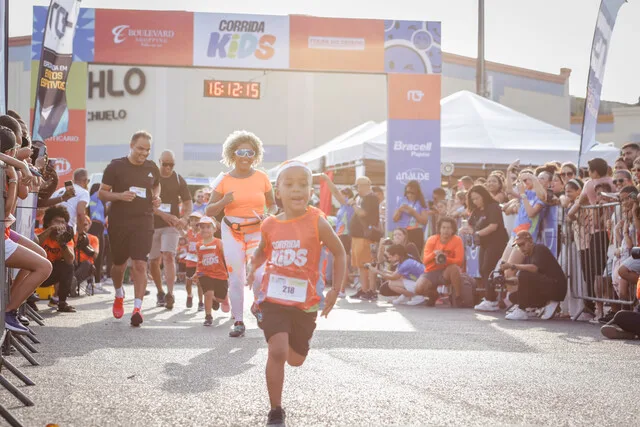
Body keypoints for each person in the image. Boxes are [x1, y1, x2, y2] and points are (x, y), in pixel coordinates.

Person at [246, 160, 346, 426]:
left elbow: (339, 252)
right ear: (278, 192)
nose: (297, 189)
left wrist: (335, 289)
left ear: (311, 190)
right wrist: (251, 266)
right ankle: (275, 410)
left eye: (303, 184)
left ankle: (279, 330)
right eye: (289, 184)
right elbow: (261, 251)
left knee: (296, 360)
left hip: (304, 303)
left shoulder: (317, 221)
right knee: (277, 351)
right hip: (274, 299)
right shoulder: (269, 224)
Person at [206, 130, 277, 338]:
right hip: (232, 231)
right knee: (236, 277)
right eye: (241, 152)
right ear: (232, 153)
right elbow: (209, 210)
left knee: (259, 275)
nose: (246, 156)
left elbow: (273, 205)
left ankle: (258, 307)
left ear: (256, 155)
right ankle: (238, 321)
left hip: (257, 231)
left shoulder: (262, 177)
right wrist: (223, 202)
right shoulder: (224, 179)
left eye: (251, 152)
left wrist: (268, 215)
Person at [99, 130, 161, 327]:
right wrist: (120, 196)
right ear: (131, 146)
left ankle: (137, 308)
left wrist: (157, 196)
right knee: (119, 265)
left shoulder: (152, 167)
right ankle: (118, 294)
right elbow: (102, 193)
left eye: (148, 150)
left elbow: (156, 185)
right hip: (119, 221)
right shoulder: (115, 166)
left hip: (144, 220)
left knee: (140, 264)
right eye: (141, 149)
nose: (144, 153)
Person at [149, 150, 193, 310]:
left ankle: (170, 293)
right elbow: (145, 202)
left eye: (171, 165)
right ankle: (160, 291)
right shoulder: (152, 177)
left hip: (171, 225)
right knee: (153, 261)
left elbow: (188, 203)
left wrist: (185, 219)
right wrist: (163, 214)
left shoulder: (178, 179)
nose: (168, 168)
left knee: (168, 256)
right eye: (165, 164)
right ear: (159, 161)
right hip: (153, 224)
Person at [462, 185, 509, 312]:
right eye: (472, 199)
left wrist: (476, 233)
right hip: (484, 244)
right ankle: (490, 298)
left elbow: (493, 226)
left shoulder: (493, 207)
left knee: (488, 268)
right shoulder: (476, 211)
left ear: (484, 196)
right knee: (483, 270)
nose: (475, 201)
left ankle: (491, 299)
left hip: (496, 242)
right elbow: (470, 225)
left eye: (477, 198)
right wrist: (466, 230)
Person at [501, 231, 567, 321]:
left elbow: (534, 269)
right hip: (548, 286)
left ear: (531, 242)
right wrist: (505, 281)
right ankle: (534, 307)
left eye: (522, 244)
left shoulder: (539, 249)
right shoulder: (528, 255)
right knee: (513, 297)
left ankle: (522, 311)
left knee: (524, 274)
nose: (520, 248)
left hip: (557, 288)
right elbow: (522, 281)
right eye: (518, 246)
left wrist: (512, 265)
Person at [413, 217, 464, 306]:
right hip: (431, 271)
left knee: (455, 268)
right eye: (443, 227)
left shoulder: (457, 240)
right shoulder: (432, 239)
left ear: (453, 230)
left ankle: (458, 297)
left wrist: (445, 259)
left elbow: (459, 261)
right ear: (439, 229)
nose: (446, 230)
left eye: (449, 228)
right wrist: (434, 254)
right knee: (418, 289)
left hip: (447, 271)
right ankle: (433, 294)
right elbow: (425, 261)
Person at [319, 173, 355, 298]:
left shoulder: (347, 205)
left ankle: (342, 289)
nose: (340, 196)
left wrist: (327, 180)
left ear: (347, 196)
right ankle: (346, 286)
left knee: (341, 263)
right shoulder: (343, 207)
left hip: (345, 235)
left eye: (343, 194)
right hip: (340, 234)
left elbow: (334, 192)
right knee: (338, 262)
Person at [36, 205, 77, 313]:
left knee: (68, 267)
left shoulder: (66, 238)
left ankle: (62, 302)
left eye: (63, 222)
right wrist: (49, 230)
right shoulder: (38, 231)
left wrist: (63, 244)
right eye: (56, 221)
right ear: (48, 222)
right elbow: (34, 243)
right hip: (34, 272)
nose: (60, 224)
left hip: (50, 274)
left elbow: (70, 260)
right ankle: (29, 302)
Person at [192, 216, 230, 326]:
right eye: (202, 227)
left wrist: (230, 272)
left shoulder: (219, 243)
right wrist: (196, 273)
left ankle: (223, 298)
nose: (205, 229)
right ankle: (208, 316)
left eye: (208, 227)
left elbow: (225, 258)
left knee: (220, 298)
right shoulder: (199, 245)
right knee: (208, 293)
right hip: (205, 273)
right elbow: (199, 261)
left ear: (214, 229)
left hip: (220, 274)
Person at [348, 176, 380, 301]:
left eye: (357, 186)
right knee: (361, 265)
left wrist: (354, 205)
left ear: (365, 185)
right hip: (358, 236)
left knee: (368, 264)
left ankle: (371, 290)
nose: (356, 189)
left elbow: (363, 213)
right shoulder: (361, 198)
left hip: (365, 237)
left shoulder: (371, 198)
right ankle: (364, 289)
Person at [392, 180, 428, 251]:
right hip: (402, 231)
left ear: (417, 193)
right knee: (400, 254)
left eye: (412, 193)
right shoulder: (401, 200)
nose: (409, 195)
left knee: (414, 255)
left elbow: (424, 221)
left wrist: (413, 212)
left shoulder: (421, 202)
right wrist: (400, 210)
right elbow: (394, 219)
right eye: (407, 192)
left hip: (415, 232)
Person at [184, 211, 204, 310]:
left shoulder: (203, 233)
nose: (194, 222)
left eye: (196, 220)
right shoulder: (189, 232)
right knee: (188, 281)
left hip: (199, 261)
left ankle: (201, 302)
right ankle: (189, 295)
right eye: (192, 220)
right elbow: (183, 237)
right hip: (190, 261)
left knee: (200, 282)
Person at [74, 215, 99, 292]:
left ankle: (72, 282)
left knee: (87, 264)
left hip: (86, 265)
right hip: (74, 263)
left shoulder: (93, 238)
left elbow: (95, 255)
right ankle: (72, 282)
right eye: (80, 224)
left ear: (89, 225)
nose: (83, 227)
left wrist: (86, 245)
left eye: (85, 225)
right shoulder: (73, 236)